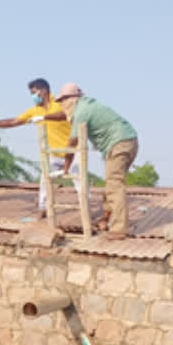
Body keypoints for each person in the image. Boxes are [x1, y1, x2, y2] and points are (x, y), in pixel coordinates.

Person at [0, 79, 81, 218]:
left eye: (34, 93)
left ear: (43, 91)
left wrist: (44, 117)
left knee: (80, 182)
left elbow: (65, 114)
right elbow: (14, 121)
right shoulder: (34, 110)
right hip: (52, 153)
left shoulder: (59, 102)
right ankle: (43, 209)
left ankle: (85, 210)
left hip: (73, 151)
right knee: (45, 182)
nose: (33, 96)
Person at [53, 83, 139, 239]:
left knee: (114, 185)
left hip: (118, 143)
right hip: (128, 140)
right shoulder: (87, 105)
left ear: (70, 99)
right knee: (112, 183)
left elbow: (72, 143)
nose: (61, 105)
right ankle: (106, 218)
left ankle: (119, 229)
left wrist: (66, 167)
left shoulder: (80, 112)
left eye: (62, 101)